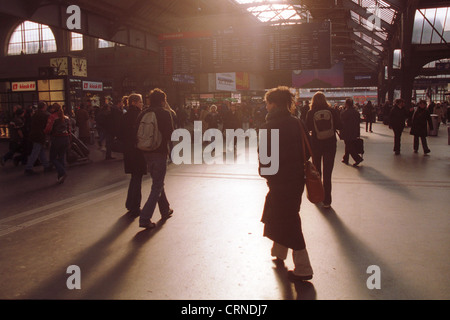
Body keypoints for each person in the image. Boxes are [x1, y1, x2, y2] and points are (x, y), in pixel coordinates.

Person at [259, 86, 313, 282]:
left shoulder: (268, 127)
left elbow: (265, 162)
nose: (266, 106)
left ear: (274, 104)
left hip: (279, 181)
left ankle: (303, 266)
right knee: (286, 213)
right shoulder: (297, 123)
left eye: (267, 103)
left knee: (288, 218)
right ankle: (279, 251)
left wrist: (268, 176)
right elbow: (308, 151)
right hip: (297, 179)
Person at [138, 88, 174, 229]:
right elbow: (169, 134)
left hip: (145, 151)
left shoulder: (144, 113)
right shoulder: (164, 113)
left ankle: (165, 210)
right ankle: (145, 218)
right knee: (157, 185)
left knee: (157, 181)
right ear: (162, 100)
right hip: (159, 151)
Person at [305, 91, 342, 208]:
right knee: (327, 173)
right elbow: (340, 125)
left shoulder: (311, 112)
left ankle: (317, 196)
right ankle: (327, 201)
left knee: (317, 172)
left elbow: (308, 128)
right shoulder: (332, 111)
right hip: (330, 144)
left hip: (316, 144)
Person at [117, 94, 147, 216]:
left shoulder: (124, 116)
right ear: (134, 102)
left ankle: (130, 204)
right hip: (137, 150)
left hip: (128, 150)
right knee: (137, 178)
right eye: (140, 102)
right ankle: (134, 206)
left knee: (134, 177)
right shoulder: (139, 116)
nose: (142, 104)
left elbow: (119, 133)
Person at [44, 103, 71, 184]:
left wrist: (45, 132)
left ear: (53, 109)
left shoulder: (52, 117)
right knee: (62, 157)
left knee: (52, 158)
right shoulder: (66, 117)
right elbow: (69, 129)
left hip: (57, 138)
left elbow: (48, 129)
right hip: (65, 138)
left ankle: (62, 172)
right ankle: (60, 176)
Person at [24, 101, 51, 175]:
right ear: (44, 107)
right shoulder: (44, 114)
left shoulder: (35, 114)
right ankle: (28, 168)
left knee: (40, 151)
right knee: (35, 152)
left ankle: (46, 165)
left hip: (34, 134)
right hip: (40, 135)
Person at [340, 98, 364, 166]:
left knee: (349, 145)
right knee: (348, 145)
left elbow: (341, 122)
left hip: (347, 131)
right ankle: (345, 158)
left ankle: (357, 158)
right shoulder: (356, 112)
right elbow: (359, 122)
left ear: (346, 104)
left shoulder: (344, 113)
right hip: (354, 131)